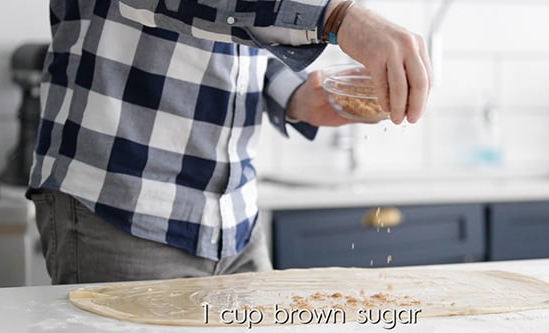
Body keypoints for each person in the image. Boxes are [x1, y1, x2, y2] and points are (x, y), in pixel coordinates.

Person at [28, 0, 432, 284]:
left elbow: (231, 35)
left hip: (236, 221)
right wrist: (336, 16)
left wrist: (294, 96)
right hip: (122, 206)